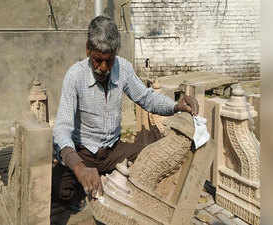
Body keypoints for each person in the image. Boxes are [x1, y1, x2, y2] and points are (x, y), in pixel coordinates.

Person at [52, 16, 198, 210]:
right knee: (61, 191)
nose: (103, 68)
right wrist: (79, 168)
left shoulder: (123, 68)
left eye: (109, 61)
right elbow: (62, 127)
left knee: (152, 158)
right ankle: (89, 178)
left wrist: (175, 106)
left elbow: (146, 98)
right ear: (88, 49)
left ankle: (104, 177)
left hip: (113, 151)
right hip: (83, 153)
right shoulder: (75, 76)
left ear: (115, 55)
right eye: (97, 60)